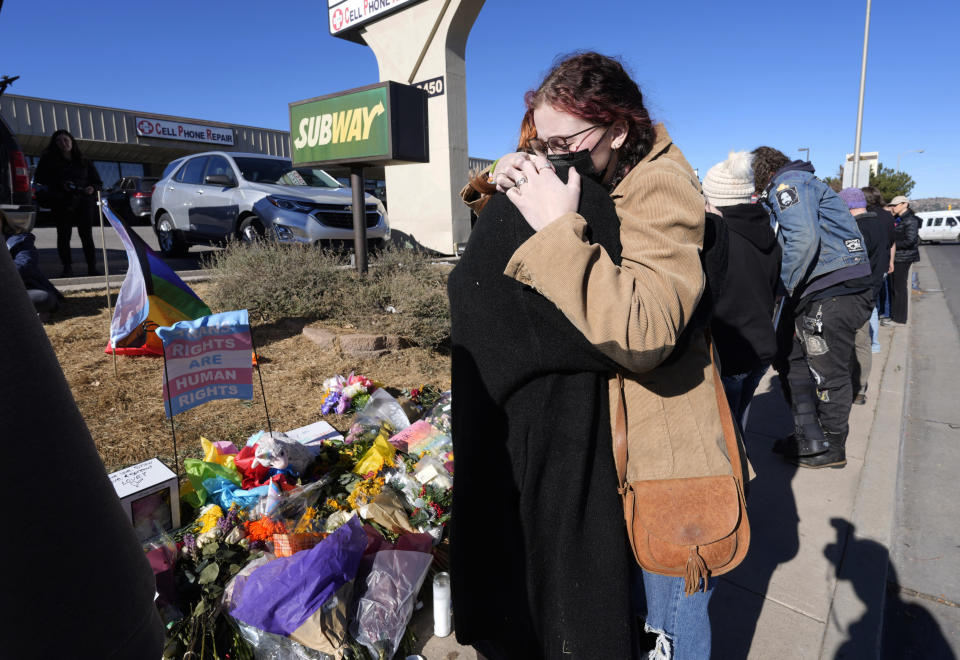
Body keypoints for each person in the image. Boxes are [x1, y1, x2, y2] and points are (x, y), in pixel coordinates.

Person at [462, 52, 733, 659]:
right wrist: (501, 180)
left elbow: (646, 329)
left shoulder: (659, 185)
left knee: (671, 612)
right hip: (610, 432)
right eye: (538, 137)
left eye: (564, 140)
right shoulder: (597, 164)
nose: (551, 153)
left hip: (660, 440)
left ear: (617, 128)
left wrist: (557, 229)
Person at [753, 147, 874, 469]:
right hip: (836, 287)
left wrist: (783, 288)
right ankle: (811, 436)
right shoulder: (802, 182)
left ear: (761, 172)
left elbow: (803, 239)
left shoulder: (787, 185)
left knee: (826, 370)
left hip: (831, 289)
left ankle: (832, 447)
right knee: (791, 357)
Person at [701, 150, 782, 431]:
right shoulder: (767, 230)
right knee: (739, 430)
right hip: (760, 347)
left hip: (730, 352)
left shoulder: (716, 236)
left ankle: (739, 476)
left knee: (725, 440)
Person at [838, 188, 891, 406]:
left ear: (847, 206)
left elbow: (849, 263)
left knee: (852, 342)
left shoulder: (856, 229)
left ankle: (852, 388)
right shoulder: (880, 223)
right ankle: (860, 388)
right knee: (863, 342)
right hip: (872, 290)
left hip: (854, 293)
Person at [33, 129, 102, 277]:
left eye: (66, 140)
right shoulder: (48, 160)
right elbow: (39, 178)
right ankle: (67, 268)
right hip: (61, 202)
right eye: (59, 141)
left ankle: (92, 267)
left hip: (83, 202)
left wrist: (92, 188)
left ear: (72, 141)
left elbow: (97, 182)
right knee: (64, 235)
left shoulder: (84, 161)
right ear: (54, 144)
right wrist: (59, 183)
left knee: (86, 235)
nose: (63, 143)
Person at [2, 213, 62, 318]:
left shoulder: (20, 239)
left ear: (3, 221)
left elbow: (26, 264)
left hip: (23, 287)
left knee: (43, 298)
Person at [861, 186, 896, 354]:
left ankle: (869, 343)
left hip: (868, 265)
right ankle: (874, 343)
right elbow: (892, 242)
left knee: (866, 304)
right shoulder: (888, 216)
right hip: (882, 264)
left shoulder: (866, 217)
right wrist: (891, 261)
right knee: (873, 304)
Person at [885, 195, 920, 325]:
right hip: (898, 257)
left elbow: (911, 241)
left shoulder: (910, 220)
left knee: (899, 288)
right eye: (892, 205)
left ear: (905, 204)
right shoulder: (899, 219)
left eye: (896, 205)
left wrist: (892, 244)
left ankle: (899, 318)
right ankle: (894, 315)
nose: (893, 207)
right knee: (894, 287)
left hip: (903, 257)